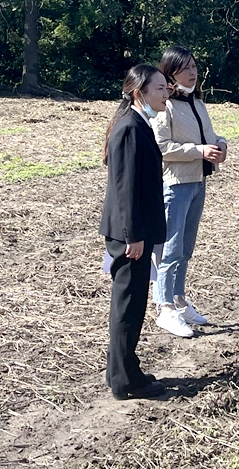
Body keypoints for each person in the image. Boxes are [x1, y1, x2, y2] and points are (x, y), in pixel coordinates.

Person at [99, 64, 170, 400]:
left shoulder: (136, 123)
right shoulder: (130, 127)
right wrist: (133, 235)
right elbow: (125, 188)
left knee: (128, 304)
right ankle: (126, 381)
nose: (166, 93)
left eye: (166, 87)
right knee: (128, 307)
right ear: (139, 93)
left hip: (134, 231)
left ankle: (121, 372)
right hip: (130, 234)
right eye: (160, 88)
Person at [151, 46, 227, 337]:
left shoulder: (197, 101)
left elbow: (211, 135)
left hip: (198, 181)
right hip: (176, 184)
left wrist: (221, 145)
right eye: (185, 68)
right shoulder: (166, 106)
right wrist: (199, 151)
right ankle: (165, 307)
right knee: (170, 249)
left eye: (194, 66)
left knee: (185, 248)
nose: (192, 72)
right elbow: (162, 146)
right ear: (171, 73)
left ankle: (179, 300)